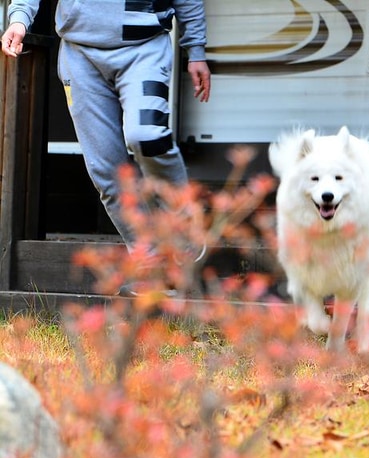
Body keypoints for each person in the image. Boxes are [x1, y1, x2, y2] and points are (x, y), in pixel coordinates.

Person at [1, 0, 211, 294]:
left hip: (144, 47)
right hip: (79, 53)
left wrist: (196, 50)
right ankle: (151, 263)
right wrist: (19, 18)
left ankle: (185, 228)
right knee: (105, 168)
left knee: (147, 136)